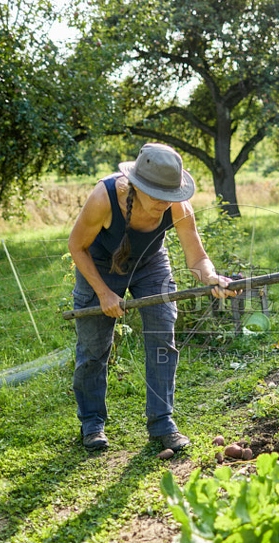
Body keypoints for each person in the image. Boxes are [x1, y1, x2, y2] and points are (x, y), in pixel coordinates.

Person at [68, 143, 237, 452]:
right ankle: (92, 422)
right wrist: (103, 293)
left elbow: (197, 258)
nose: (164, 203)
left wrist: (212, 278)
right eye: (157, 196)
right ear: (136, 185)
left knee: (162, 337)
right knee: (93, 348)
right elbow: (76, 246)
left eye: (170, 196)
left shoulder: (177, 204)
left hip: (150, 264)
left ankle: (162, 423)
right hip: (99, 266)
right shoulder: (103, 198)